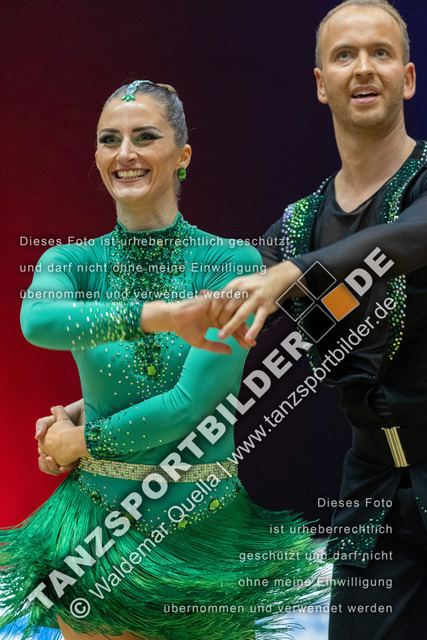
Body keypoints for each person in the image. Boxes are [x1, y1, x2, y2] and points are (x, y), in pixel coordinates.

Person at [0, 80, 327, 640]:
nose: (124, 153)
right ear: (97, 157)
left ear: (183, 155)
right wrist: (164, 315)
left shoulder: (230, 262)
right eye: (110, 140)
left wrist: (83, 440)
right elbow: (38, 323)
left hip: (200, 530)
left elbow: (191, 405)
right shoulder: (70, 261)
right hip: (94, 533)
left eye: (145, 137)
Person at [203, 1, 427, 638]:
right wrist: (102, 409)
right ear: (321, 84)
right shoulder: (301, 224)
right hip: (374, 491)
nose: (364, 68)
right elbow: (214, 325)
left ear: (408, 77)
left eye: (381, 52)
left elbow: (409, 239)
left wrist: (294, 274)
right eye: (345, 55)